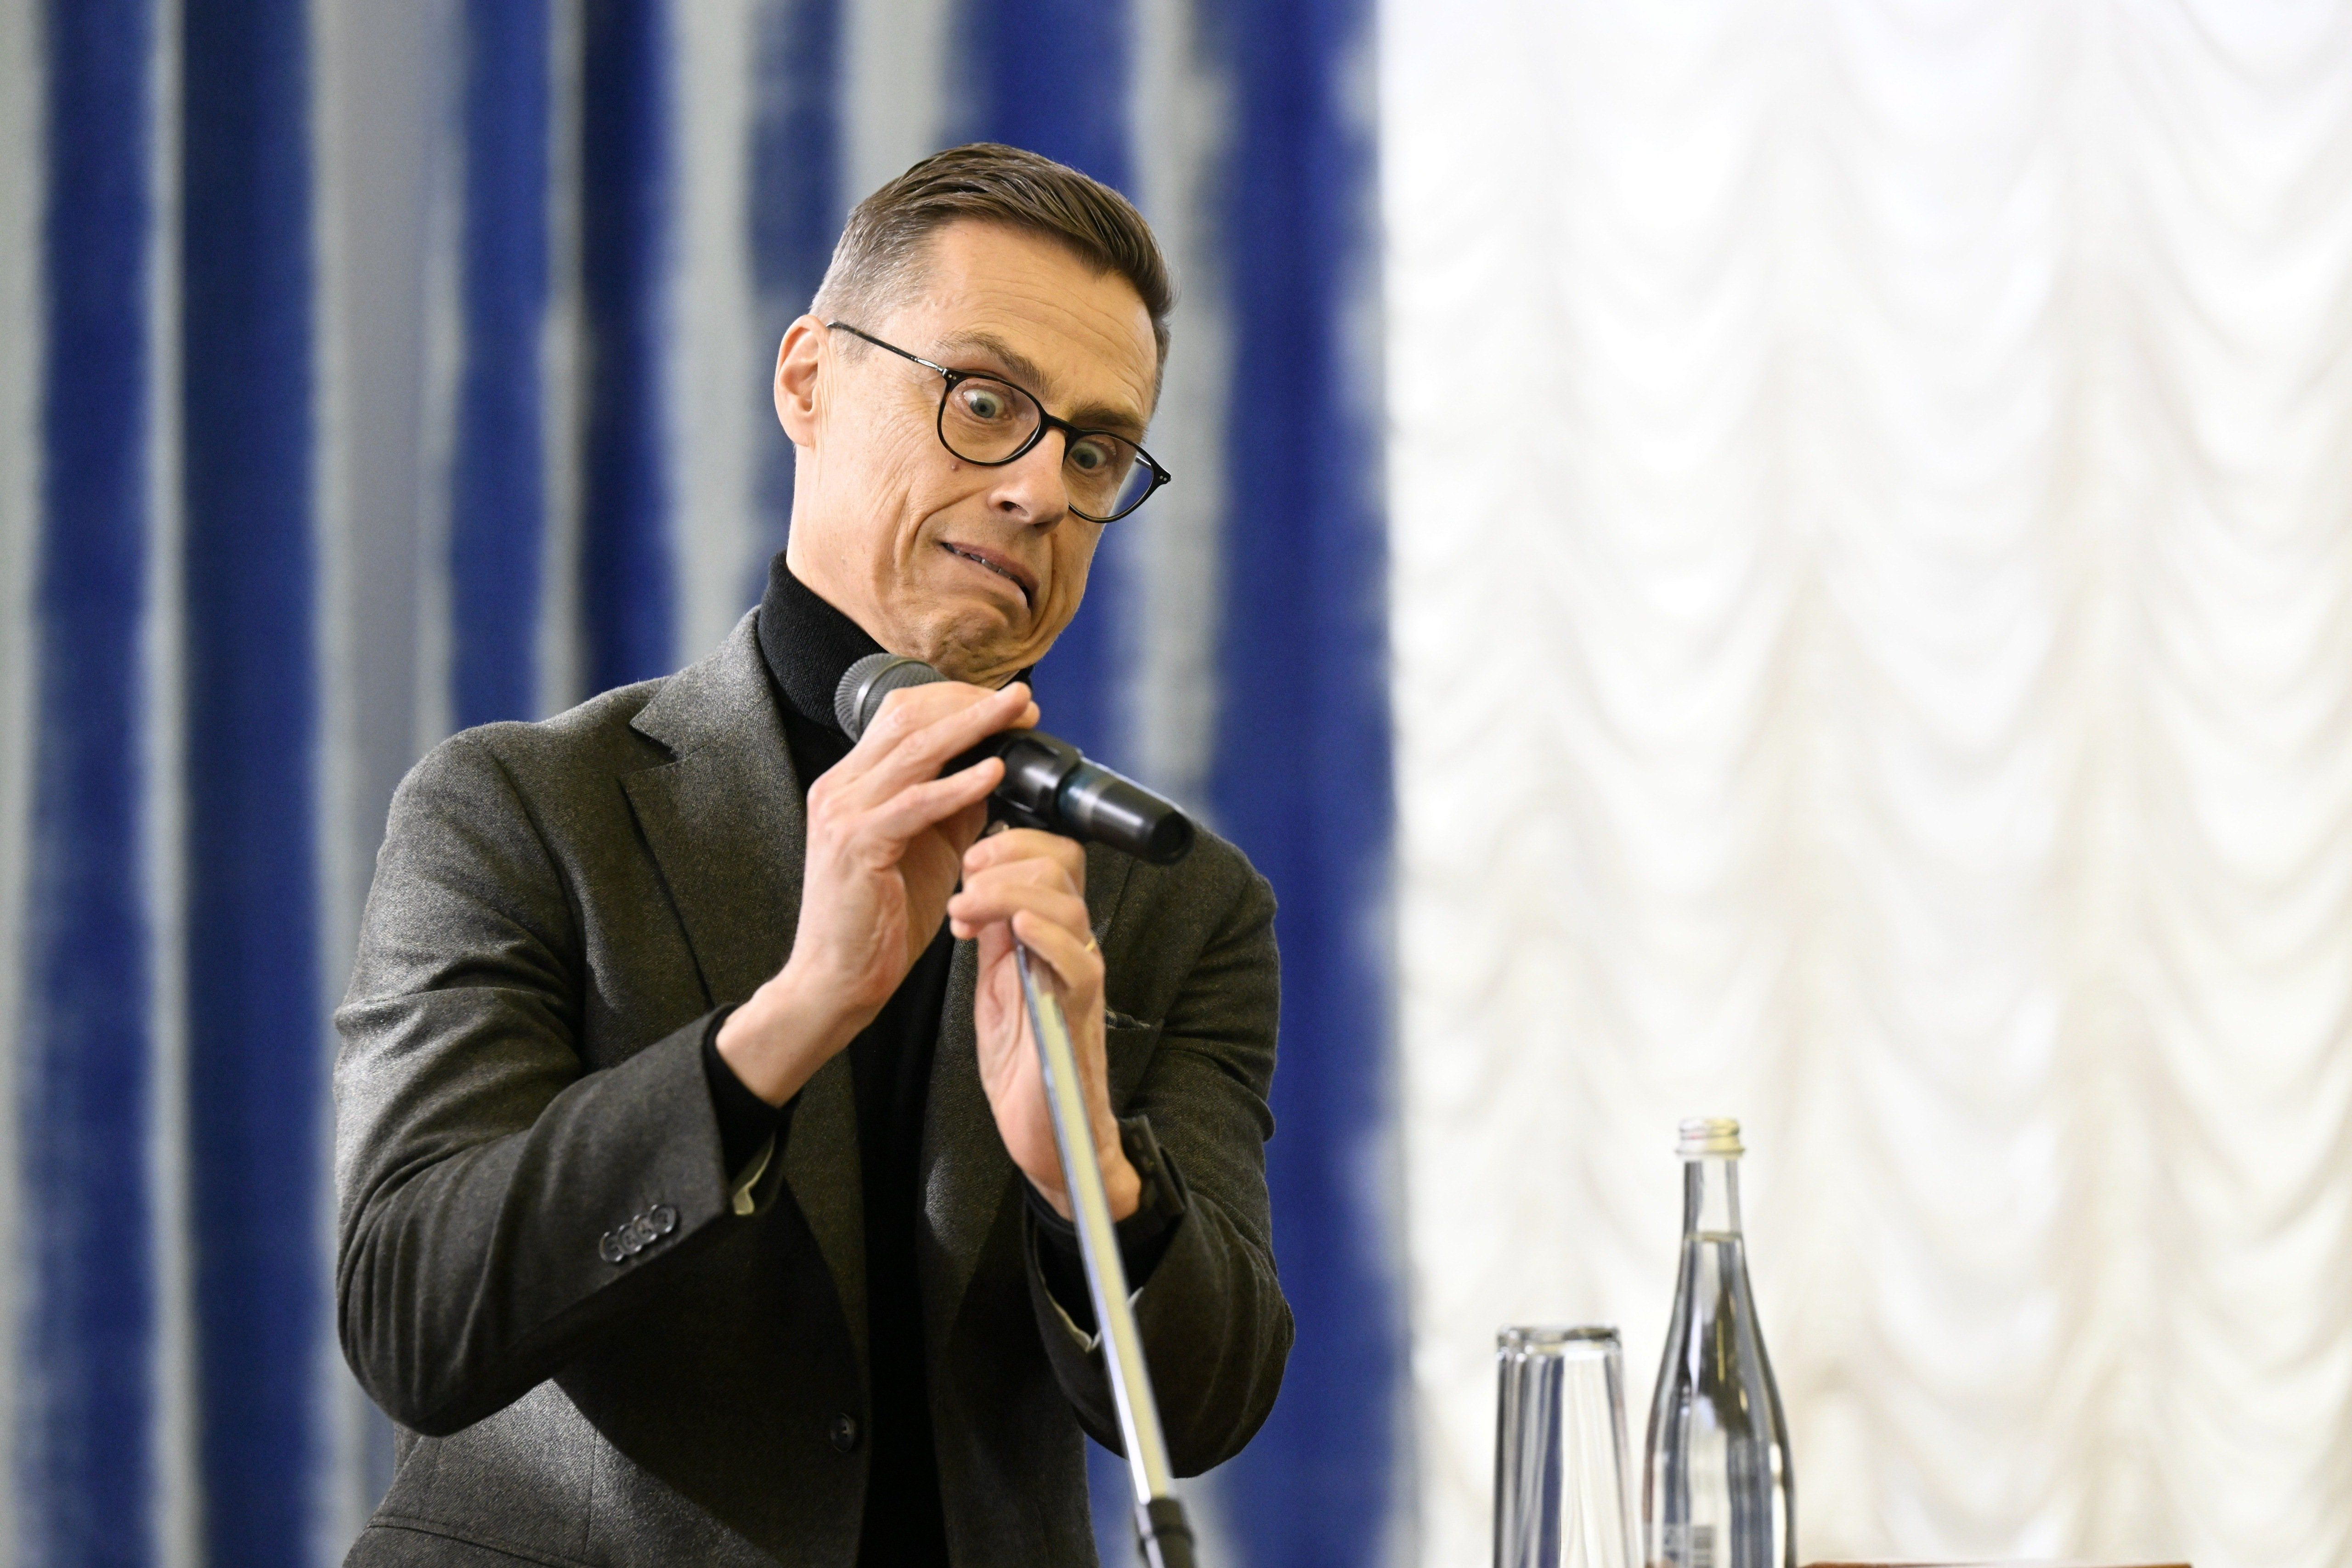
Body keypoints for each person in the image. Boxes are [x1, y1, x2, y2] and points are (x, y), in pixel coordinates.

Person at [334, 144, 1291, 1567]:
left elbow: (1205, 1406)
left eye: (1092, 450)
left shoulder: (1176, 900)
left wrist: (1087, 1162)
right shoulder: (517, 807)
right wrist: (787, 1024)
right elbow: (414, 1316)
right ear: (809, 379)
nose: (1038, 487)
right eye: (984, 402)